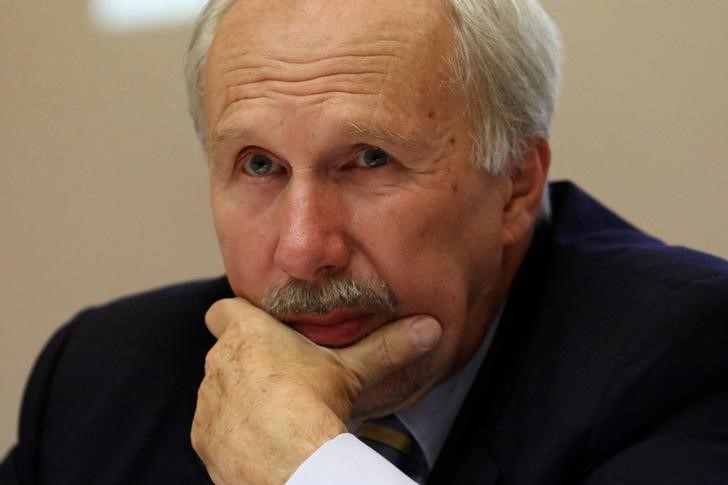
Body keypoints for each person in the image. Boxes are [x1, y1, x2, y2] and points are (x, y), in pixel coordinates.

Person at [2, 0, 728, 483]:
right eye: (259, 165)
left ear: (514, 182)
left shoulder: (689, 355)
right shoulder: (102, 380)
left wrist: (310, 465)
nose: (301, 248)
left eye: (369, 159)